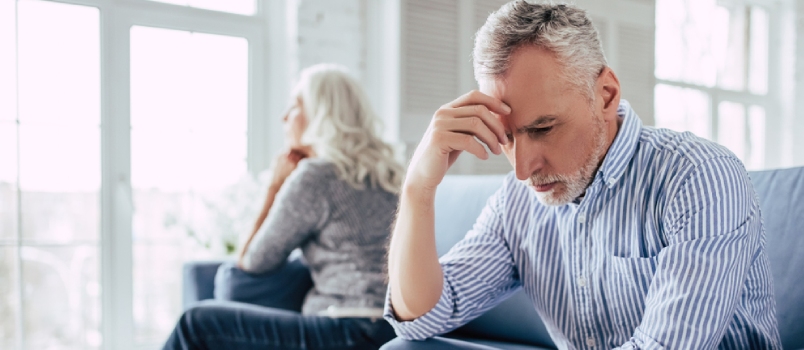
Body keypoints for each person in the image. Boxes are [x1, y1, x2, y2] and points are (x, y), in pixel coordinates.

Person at [384, 1, 782, 349]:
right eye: (506, 137)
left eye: (542, 129)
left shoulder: (699, 178)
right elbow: (420, 318)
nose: (522, 170)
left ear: (605, 95)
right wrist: (418, 187)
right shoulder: (517, 202)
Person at [163, 63, 403, 350]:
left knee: (195, 323)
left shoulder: (317, 176)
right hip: (391, 329)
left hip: (347, 329)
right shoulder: (390, 175)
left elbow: (254, 261)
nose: (284, 117)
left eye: (294, 105)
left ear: (320, 114)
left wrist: (274, 186)